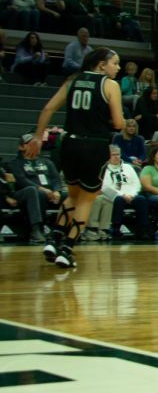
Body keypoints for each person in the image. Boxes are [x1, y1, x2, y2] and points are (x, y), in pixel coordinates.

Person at [25, 47, 125, 268]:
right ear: (101, 65)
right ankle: (68, 249)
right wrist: (115, 121)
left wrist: (37, 137)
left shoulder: (73, 80)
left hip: (69, 143)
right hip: (95, 144)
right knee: (87, 199)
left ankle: (54, 238)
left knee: (72, 195)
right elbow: (118, 124)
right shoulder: (110, 85)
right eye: (115, 63)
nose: (118, 68)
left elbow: (48, 108)